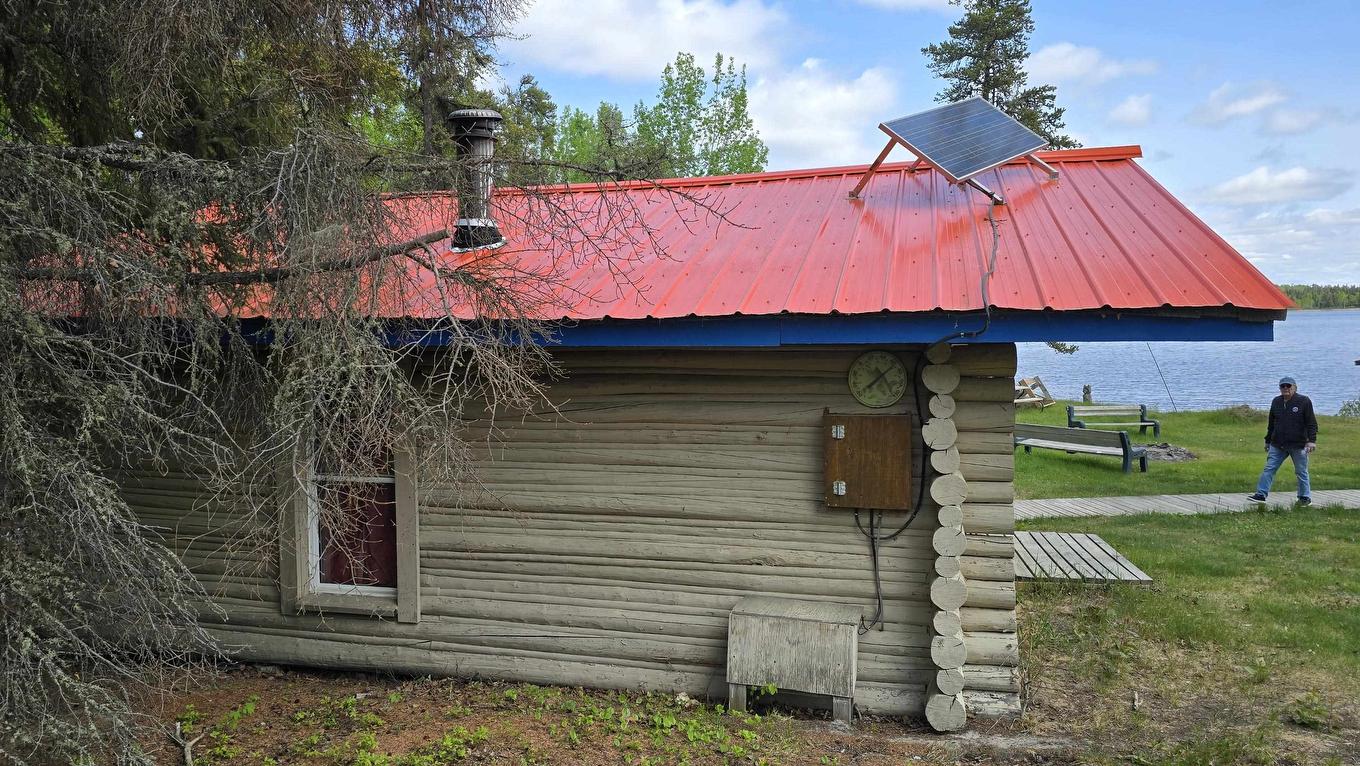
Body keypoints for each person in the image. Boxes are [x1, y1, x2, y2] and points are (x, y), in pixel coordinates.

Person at [1248, 376, 1317, 505]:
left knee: (1301, 471)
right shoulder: (1276, 402)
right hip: (1278, 444)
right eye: (1283, 386)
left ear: (1294, 388)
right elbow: (1271, 423)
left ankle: (1304, 497)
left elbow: (1311, 423)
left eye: (1288, 386)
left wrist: (1311, 441)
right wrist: (1268, 440)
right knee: (1269, 468)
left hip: (1298, 444)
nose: (1285, 388)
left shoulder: (1304, 401)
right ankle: (1260, 494)